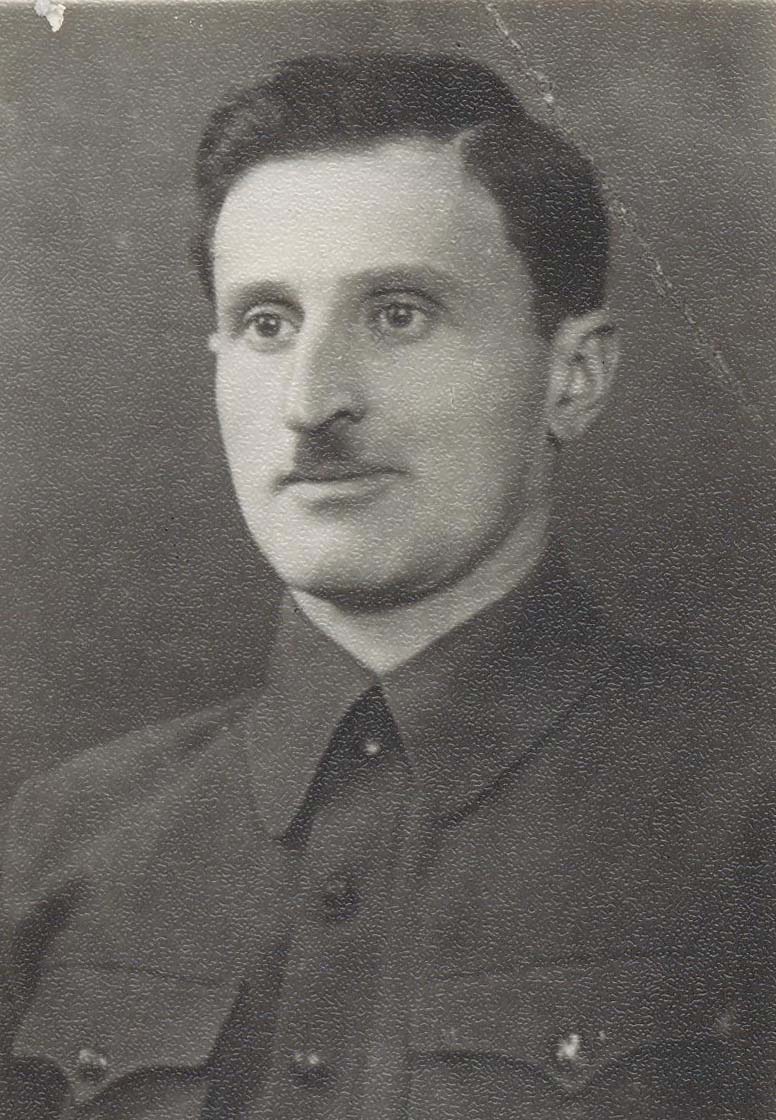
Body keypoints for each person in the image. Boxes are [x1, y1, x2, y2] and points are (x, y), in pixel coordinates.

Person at [0, 51, 773, 1120]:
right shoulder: (56, 844)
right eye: (268, 323)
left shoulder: (748, 809)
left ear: (572, 376)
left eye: (398, 313)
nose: (311, 401)